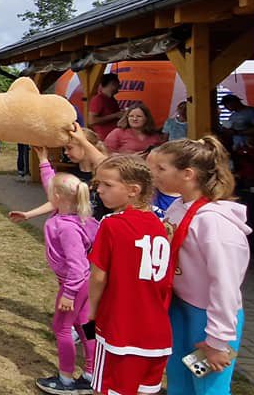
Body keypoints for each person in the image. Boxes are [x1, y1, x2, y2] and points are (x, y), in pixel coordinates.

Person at [148, 137, 251, 395]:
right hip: (181, 308)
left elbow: (226, 285)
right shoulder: (178, 207)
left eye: (161, 168)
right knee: (179, 379)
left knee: (208, 388)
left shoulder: (215, 223)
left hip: (208, 319)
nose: (153, 174)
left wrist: (217, 341)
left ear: (187, 174)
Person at [85, 155, 173, 395]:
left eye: (107, 185)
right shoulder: (160, 224)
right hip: (157, 332)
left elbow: (98, 277)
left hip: (119, 329)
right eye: (98, 184)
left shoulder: (112, 224)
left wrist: (91, 311)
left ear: (134, 190)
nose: (99, 190)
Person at [20, 164, 99, 395]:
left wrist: (69, 293)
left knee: (62, 328)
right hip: (85, 284)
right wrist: (44, 162)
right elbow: (53, 185)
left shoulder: (67, 228)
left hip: (74, 284)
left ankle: (65, 379)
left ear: (57, 196)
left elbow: (78, 266)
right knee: (86, 326)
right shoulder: (77, 216)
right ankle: (93, 373)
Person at [87, 74, 126, 140]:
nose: (119, 87)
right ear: (112, 84)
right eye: (118, 84)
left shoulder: (112, 99)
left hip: (114, 136)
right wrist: (115, 115)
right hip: (104, 138)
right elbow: (91, 121)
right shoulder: (98, 99)